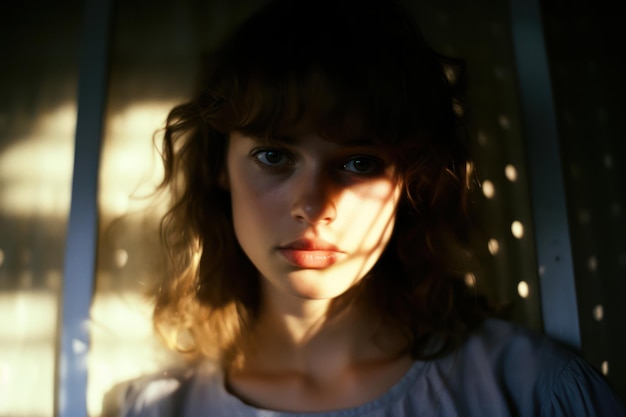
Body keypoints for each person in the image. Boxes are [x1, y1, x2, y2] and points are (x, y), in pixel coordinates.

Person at [121, 0, 625, 415]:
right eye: (274, 156)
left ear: (411, 178)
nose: (314, 206)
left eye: (359, 162)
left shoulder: (530, 391)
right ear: (218, 167)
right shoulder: (161, 409)